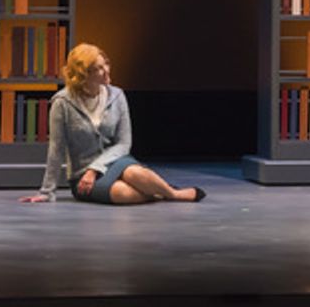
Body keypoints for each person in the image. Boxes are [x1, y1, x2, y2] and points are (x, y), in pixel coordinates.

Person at [20, 43, 206, 205]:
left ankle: (174, 194)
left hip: (117, 162)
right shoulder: (62, 103)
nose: (107, 70)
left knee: (136, 174)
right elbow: (56, 149)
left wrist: (96, 169)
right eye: (99, 68)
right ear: (84, 74)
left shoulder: (117, 95)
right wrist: (46, 192)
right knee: (122, 193)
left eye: (106, 64)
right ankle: (157, 193)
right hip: (82, 175)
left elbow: (124, 143)